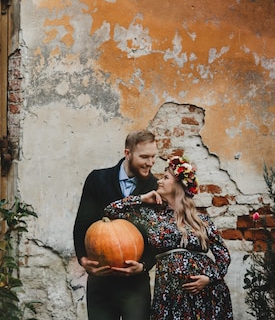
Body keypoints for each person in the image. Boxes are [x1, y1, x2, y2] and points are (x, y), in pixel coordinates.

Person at [104, 156, 234, 320]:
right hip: (171, 295)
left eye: (165, 177)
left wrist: (209, 278)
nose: (159, 181)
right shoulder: (150, 216)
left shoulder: (202, 220)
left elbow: (223, 255)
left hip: (207, 294)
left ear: (179, 185)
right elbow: (111, 210)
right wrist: (142, 198)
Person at [73, 130, 159, 320]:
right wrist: (83, 260)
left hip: (136, 286)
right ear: (127, 154)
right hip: (101, 282)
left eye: (153, 157)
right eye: (144, 157)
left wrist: (144, 265)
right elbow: (82, 224)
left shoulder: (155, 187)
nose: (150, 163)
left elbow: (158, 236)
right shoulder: (97, 180)